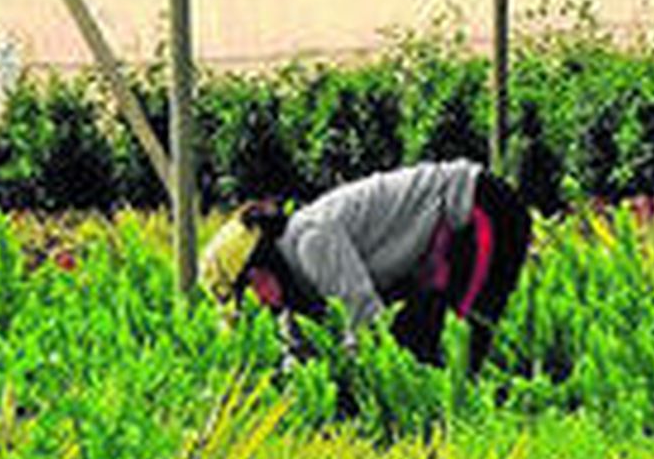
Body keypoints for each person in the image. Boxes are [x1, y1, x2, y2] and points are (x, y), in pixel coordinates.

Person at [199, 159, 530, 372]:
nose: (258, 304)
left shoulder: (311, 242)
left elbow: (364, 327)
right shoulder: (290, 284)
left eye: (249, 292)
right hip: (440, 254)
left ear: (260, 269)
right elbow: (300, 352)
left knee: (462, 346)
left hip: (477, 209)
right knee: (416, 343)